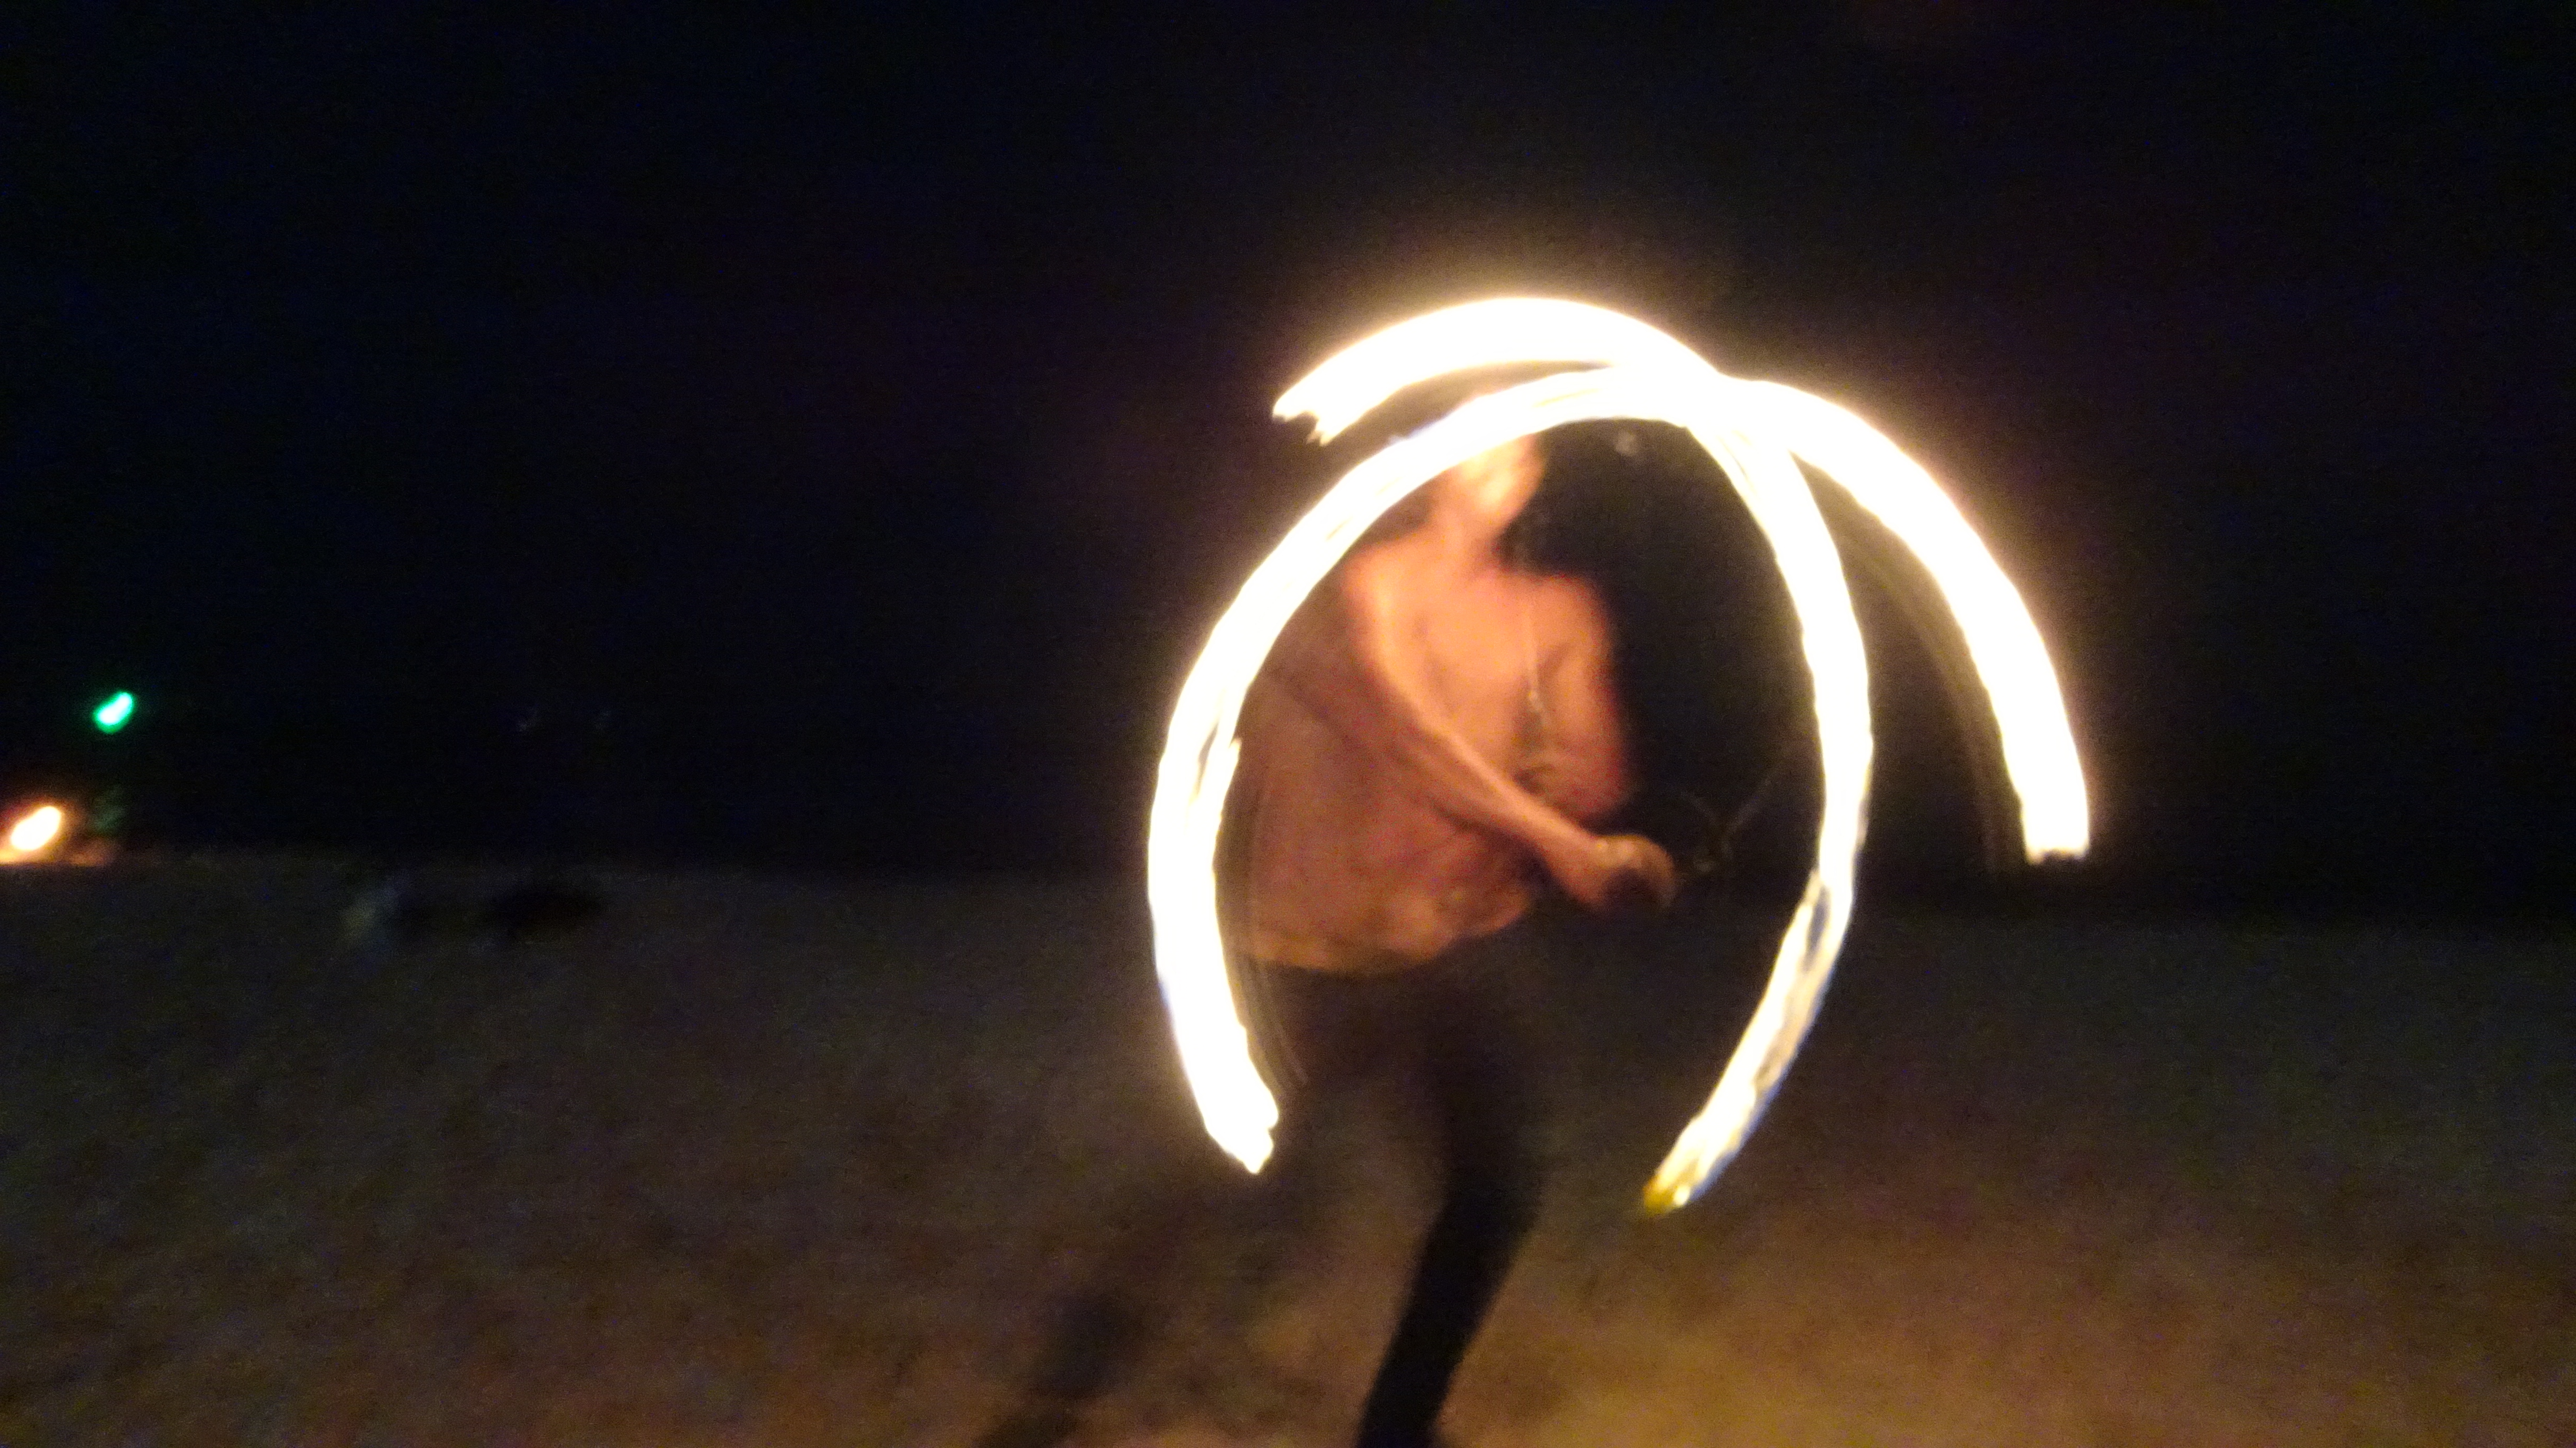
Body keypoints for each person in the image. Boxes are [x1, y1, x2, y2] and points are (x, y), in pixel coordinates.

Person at [1226, 429, 1676, 1447]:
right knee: (1259, 1145)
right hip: (1323, 948)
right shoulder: (1358, 586)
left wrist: (1581, 799)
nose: (1503, 466)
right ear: (1430, 461)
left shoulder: (1554, 611)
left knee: (1502, 1182)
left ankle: (1399, 1423)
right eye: (1479, 443)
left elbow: (1600, 775)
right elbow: (1412, 742)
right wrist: (1560, 843)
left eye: (1524, 454)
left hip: (1472, 937)